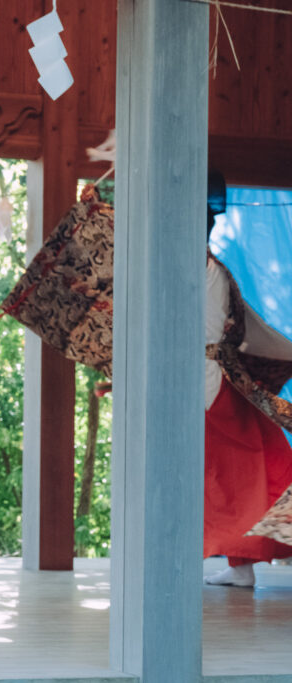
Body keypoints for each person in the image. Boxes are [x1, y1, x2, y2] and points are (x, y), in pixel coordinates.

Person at [201, 174, 292, 587]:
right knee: (237, 473)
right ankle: (240, 566)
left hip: (208, 379)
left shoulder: (202, 272)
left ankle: (241, 566)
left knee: (232, 474)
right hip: (217, 378)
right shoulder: (212, 270)